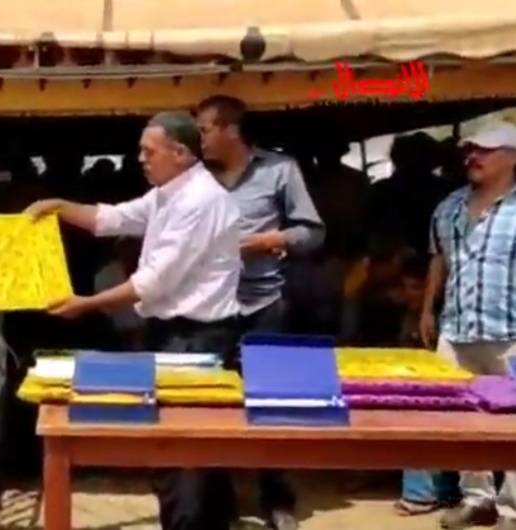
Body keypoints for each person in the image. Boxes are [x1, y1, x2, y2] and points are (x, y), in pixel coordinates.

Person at [25, 111, 243, 530]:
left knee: (184, 455)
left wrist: (87, 303)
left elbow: (154, 281)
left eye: (149, 151)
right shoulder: (167, 193)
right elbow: (114, 218)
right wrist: (59, 206)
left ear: (180, 153)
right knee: (183, 452)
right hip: (173, 335)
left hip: (196, 339)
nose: (141, 159)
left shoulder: (199, 200)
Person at [196, 95, 325, 530]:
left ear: (231, 130)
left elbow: (312, 231)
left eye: (204, 129)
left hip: (266, 303)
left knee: (273, 402)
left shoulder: (280, 169)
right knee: (210, 404)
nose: (199, 138)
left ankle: (277, 499)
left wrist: (270, 241)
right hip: (209, 306)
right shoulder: (195, 177)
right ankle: (219, 503)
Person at [420, 121, 516, 530]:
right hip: (457, 328)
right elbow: (438, 259)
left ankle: (512, 509)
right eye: (470, 150)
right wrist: (428, 309)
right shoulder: (450, 206)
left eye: (485, 150)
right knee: (463, 420)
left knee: (514, 422)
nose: (473, 157)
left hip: (510, 331)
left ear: (511, 157)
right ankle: (477, 498)